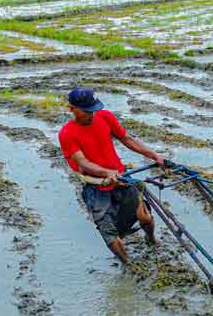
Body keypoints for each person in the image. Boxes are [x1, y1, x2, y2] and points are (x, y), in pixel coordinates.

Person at [58, 87, 163, 265]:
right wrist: (106, 173)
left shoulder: (105, 116)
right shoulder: (67, 134)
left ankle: (151, 238)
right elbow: (83, 163)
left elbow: (126, 139)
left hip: (121, 178)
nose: (92, 114)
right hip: (96, 186)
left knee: (144, 216)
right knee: (109, 233)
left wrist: (154, 155)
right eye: (87, 111)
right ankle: (129, 265)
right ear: (72, 109)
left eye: (94, 109)